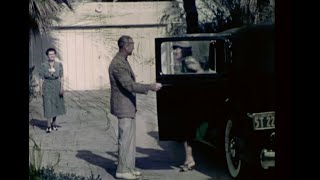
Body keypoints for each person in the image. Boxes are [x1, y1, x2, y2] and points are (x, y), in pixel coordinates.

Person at [109, 35, 162, 179]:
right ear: (125, 46)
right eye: (132, 44)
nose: (133, 47)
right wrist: (150, 86)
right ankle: (122, 171)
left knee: (130, 139)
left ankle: (128, 167)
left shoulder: (123, 61)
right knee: (125, 139)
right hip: (123, 107)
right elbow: (129, 85)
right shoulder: (118, 64)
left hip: (128, 106)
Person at [172, 41, 203, 172]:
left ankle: (190, 160)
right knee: (186, 134)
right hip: (186, 101)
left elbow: (200, 73)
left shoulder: (189, 61)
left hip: (191, 102)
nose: (174, 51)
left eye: (177, 48)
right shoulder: (183, 62)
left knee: (187, 133)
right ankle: (188, 160)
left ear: (184, 50)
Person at [39, 48, 66, 133]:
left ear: (55, 55)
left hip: (56, 86)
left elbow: (61, 77)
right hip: (47, 86)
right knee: (48, 105)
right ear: (47, 55)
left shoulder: (59, 65)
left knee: (56, 105)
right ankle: (48, 126)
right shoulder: (43, 65)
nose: (52, 56)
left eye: (53, 54)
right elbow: (41, 78)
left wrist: (62, 87)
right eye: (50, 54)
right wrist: (40, 89)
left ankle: (54, 123)